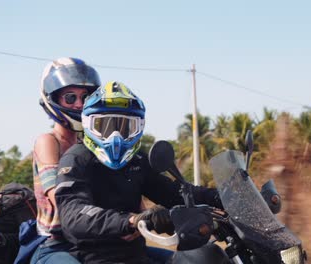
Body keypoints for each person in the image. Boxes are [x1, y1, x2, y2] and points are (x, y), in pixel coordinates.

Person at [55, 81, 223, 263]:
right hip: (93, 258)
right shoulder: (76, 159)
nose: (115, 136)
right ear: (89, 124)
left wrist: (221, 196)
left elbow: (173, 193)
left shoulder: (137, 161)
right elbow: (73, 213)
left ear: (139, 126)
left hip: (135, 256)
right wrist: (132, 220)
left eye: (125, 126)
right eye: (104, 126)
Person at [30, 57, 101, 264]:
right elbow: (59, 197)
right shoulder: (48, 142)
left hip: (98, 239)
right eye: (70, 98)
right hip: (56, 244)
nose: (79, 104)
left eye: (85, 97)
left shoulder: (92, 143)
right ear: (53, 99)